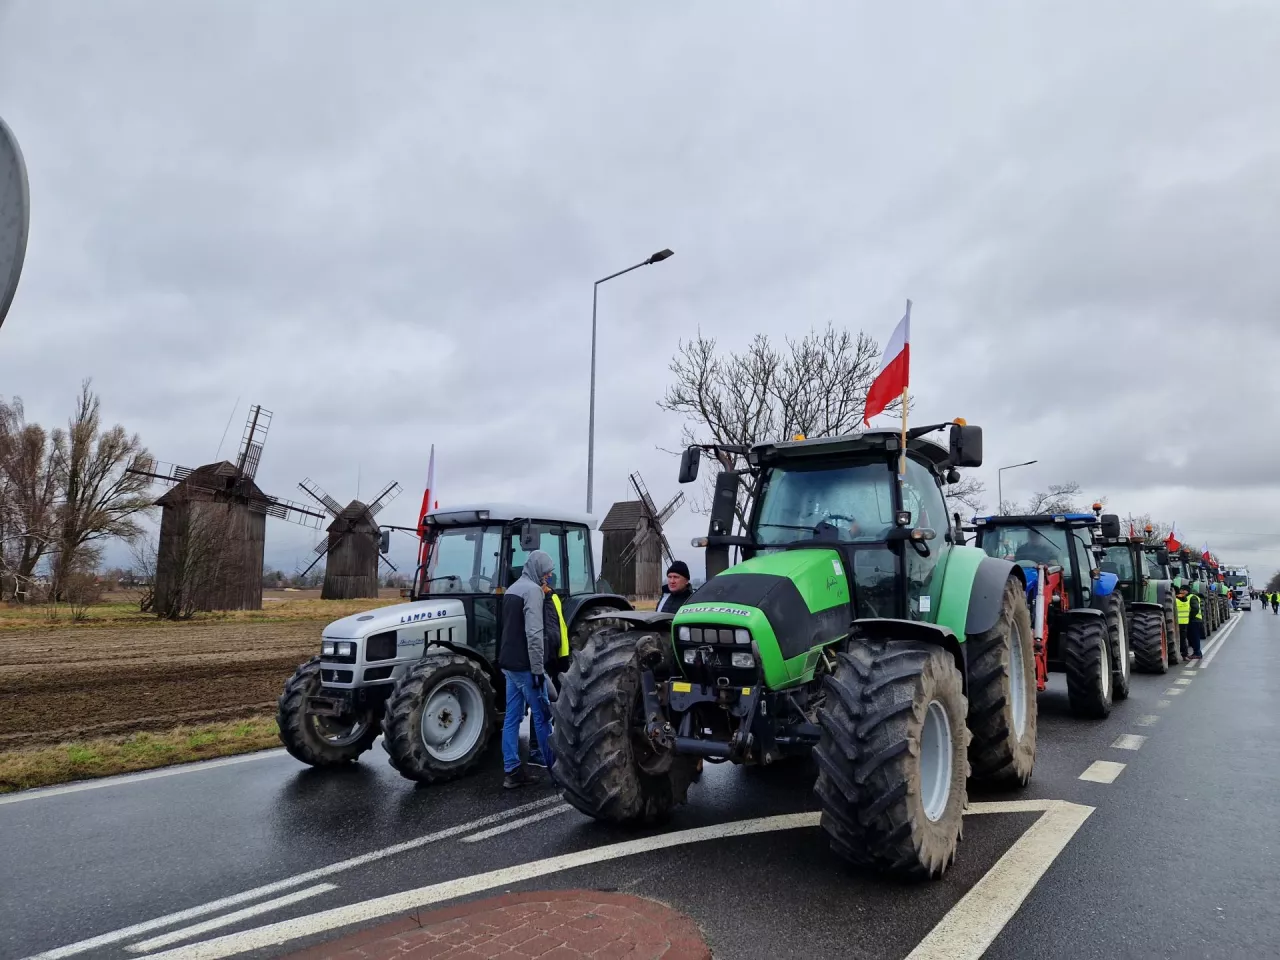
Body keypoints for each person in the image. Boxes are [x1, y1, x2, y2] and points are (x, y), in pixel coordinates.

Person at [497, 550, 557, 789]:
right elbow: (534, 634)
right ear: (537, 569)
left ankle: (511, 770)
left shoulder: (512, 589)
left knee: (512, 718)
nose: (548, 576)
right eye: (546, 572)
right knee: (542, 717)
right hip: (526, 666)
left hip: (509, 664)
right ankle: (556, 769)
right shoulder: (533, 591)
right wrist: (537, 670)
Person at [1185, 586, 1204, 660]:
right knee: (1192, 637)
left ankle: (1197, 653)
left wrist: (1190, 617)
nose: (1181, 592)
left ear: (1186, 591)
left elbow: (1195, 608)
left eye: (1182, 590)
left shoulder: (1192, 597)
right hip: (1194, 620)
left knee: (1194, 637)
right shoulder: (1189, 597)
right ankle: (1197, 652)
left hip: (1195, 620)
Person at [1174, 586, 1192, 662]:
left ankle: (1183, 654)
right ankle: (1184, 654)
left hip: (1177, 623)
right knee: (1183, 639)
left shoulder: (1175, 600)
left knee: (1180, 639)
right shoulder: (1187, 600)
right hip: (1184, 622)